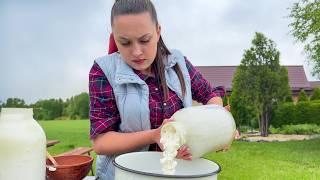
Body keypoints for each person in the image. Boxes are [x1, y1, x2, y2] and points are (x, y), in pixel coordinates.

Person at [89, 0, 223, 179]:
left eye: (145, 40)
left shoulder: (178, 63)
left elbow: (211, 95)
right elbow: (101, 142)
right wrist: (153, 135)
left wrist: (218, 125)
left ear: (158, 31)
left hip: (176, 173)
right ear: (114, 37)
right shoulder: (103, 71)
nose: (137, 52)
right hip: (125, 175)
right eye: (125, 42)